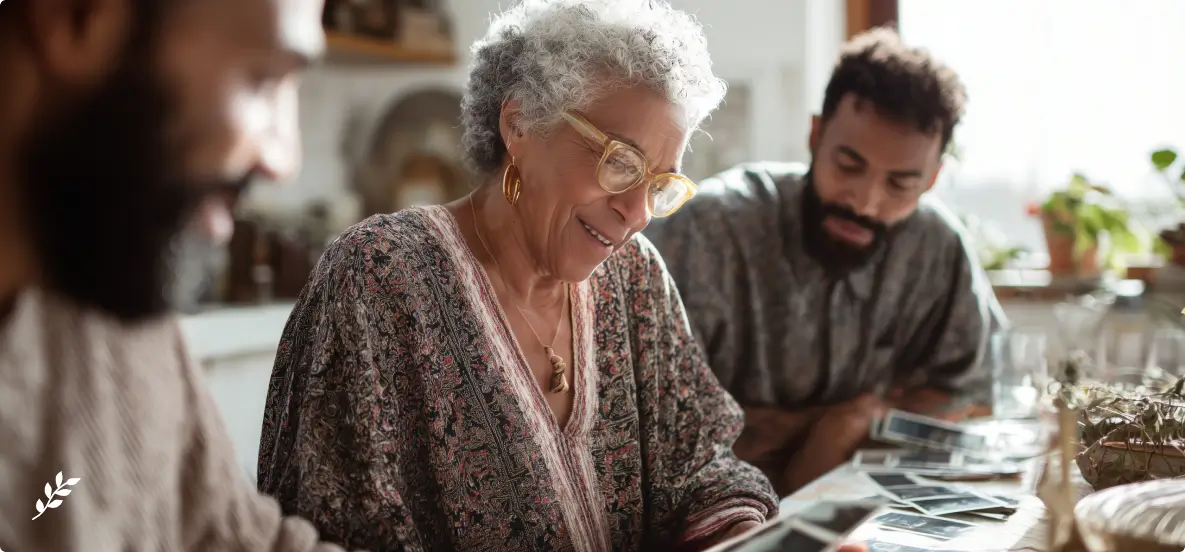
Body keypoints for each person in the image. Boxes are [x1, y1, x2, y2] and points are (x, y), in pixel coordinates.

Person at [255, 2, 785, 551]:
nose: (639, 211)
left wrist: (744, 534)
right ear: (520, 124)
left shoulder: (636, 276)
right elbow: (330, 526)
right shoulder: (377, 278)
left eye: (659, 183)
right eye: (620, 161)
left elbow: (702, 466)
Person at [0, 0, 354, 549]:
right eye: (262, 79)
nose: (285, 159)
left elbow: (240, 539)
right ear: (73, 17)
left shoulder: (105, 285)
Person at [646, 28, 1006, 495]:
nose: (865, 202)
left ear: (932, 179)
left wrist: (860, 420)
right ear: (816, 135)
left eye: (899, 184)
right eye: (849, 166)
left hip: (867, 507)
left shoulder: (939, 249)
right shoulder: (709, 229)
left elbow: (973, 396)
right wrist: (829, 425)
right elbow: (652, 429)